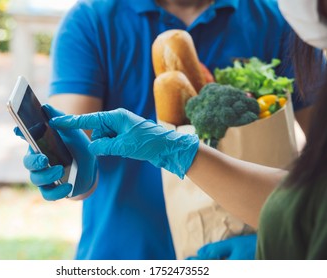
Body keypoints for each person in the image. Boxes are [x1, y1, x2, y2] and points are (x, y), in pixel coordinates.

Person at [18, 0, 313, 260]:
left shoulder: (280, 19)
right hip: (125, 258)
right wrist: (63, 168)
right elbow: (81, 159)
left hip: (239, 254)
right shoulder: (92, 20)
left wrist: (278, 239)